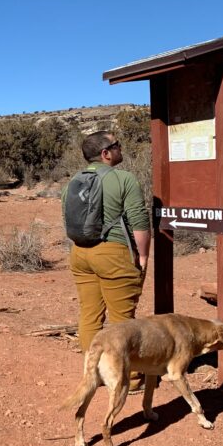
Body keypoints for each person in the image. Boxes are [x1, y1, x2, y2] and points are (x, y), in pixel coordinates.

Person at [64, 131, 151, 387]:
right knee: (122, 319)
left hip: (80, 253)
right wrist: (143, 255)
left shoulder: (73, 181)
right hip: (113, 254)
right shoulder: (124, 179)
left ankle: (94, 372)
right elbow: (139, 220)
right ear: (106, 153)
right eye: (117, 145)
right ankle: (130, 378)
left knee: (90, 314)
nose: (120, 148)